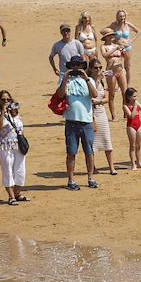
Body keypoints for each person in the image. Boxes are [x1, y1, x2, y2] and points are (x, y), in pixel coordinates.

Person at [56, 57, 98, 190]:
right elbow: (60, 95)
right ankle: (71, 180)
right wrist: (65, 79)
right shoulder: (66, 79)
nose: (76, 68)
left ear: (83, 66)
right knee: (71, 152)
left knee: (89, 151)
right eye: (73, 65)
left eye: (78, 65)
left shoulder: (89, 80)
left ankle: (91, 178)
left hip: (86, 122)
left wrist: (86, 78)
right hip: (71, 122)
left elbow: (95, 94)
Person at [0, 91, 28, 205]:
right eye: (3, 100)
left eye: (8, 99)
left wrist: (13, 111)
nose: (6, 102)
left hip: (18, 145)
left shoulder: (15, 113)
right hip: (4, 146)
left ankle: (17, 193)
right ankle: (11, 196)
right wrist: (3, 111)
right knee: (7, 170)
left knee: (20, 170)